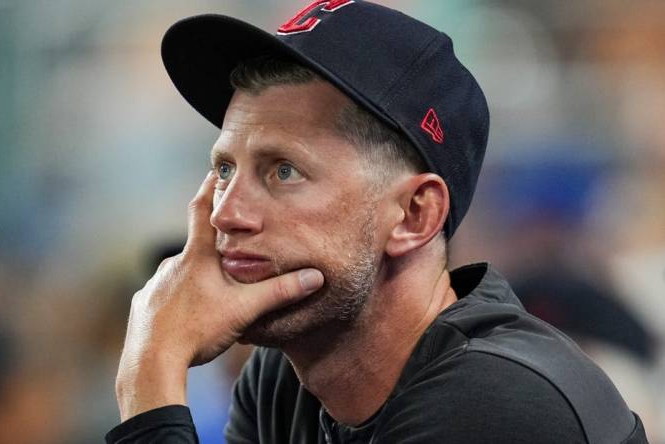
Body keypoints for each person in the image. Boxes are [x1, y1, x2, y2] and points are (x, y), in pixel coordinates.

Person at [106, 1, 648, 443]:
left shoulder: (499, 402)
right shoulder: (284, 381)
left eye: (284, 171)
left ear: (414, 215)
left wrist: (150, 376)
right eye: (224, 168)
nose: (227, 213)